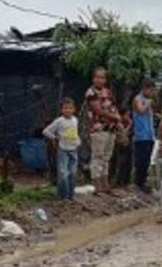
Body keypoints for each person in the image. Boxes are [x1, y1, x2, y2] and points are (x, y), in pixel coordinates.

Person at [83, 67, 121, 195]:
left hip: (110, 128)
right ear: (93, 78)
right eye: (97, 77)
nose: (100, 80)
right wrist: (114, 117)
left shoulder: (108, 92)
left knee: (106, 157)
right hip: (98, 128)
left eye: (103, 77)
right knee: (97, 156)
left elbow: (114, 107)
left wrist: (118, 120)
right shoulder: (91, 92)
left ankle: (105, 184)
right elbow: (97, 110)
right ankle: (97, 185)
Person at [42, 98, 81, 199]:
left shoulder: (75, 120)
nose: (68, 110)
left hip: (73, 149)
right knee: (63, 173)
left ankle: (70, 195)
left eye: (70, 108)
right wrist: (55, 138)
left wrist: (78, 141)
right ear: (62, 110)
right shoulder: (59, 121)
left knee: (72, 173)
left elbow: (75, 133)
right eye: (65, 108)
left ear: (74, 109)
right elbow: (46, 131)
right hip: (63, 149)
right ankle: (62, 196)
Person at [131, 80, 156, 193]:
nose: (152, 93)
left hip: (149, 135)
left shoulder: (147, 101)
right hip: (141, 135)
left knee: (147, 160)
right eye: (151, 90)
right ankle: (139, 182)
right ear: (145, 88)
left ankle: (144, 181)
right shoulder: (138, 99)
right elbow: (141, 110)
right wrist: (148, 104)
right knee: (141, 160)